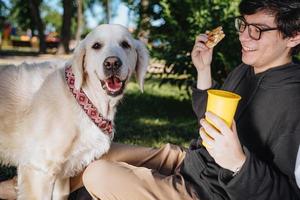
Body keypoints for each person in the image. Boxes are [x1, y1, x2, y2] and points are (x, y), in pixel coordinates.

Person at [0, 0, 300, 199]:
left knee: (97, 172)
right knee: (89, 152)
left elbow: (287, 193)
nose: (245, 37)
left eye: (258, 30)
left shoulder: (293, 99)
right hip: (190, 160)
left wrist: (238, 163)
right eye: (243, 26)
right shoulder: (245, 69)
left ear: (294, 35)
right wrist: (203, 70)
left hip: (207, 191)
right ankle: (22, 186)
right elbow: (211, 120)